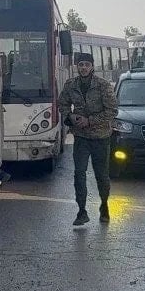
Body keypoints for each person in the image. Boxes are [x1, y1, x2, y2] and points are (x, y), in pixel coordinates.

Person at [58, 52, 119, 225]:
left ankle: (104, 206)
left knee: (102, 175)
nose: (83, 67)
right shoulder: (71, 85)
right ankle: (82, 211)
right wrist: (71, 117)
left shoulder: (103, 85)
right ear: (76, 66)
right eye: (81, 64)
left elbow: (112, 110)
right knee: (79, 173)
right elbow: (62, 104)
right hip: (81, 137)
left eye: (86, 64)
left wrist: (90, 120)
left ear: (92, 66)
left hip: (100, 137)